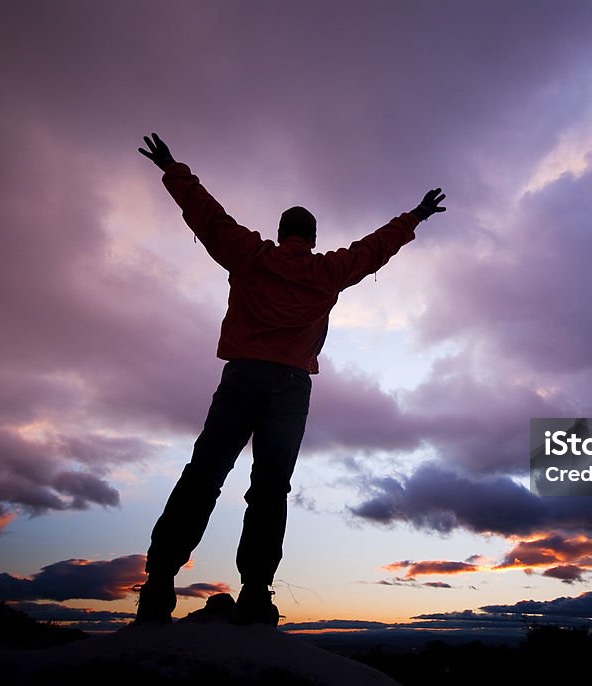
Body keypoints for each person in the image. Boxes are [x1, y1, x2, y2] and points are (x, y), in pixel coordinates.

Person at [133, 133, 446, 625]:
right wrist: (416, 216)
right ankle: (256, 592)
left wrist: (172, 168)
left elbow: (207, 216)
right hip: (290, 389)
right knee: (270, 487)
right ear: (314, 238)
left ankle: (158, 586)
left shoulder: (250, 256)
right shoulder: (328, 271)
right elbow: (374, 248)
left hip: (241, 379)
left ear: (281, 232)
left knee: (203, 476)